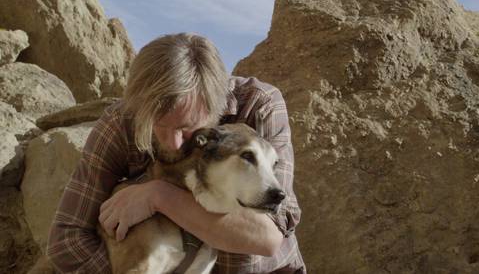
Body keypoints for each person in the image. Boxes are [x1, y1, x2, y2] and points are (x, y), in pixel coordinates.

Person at [47, 33, 305, 273]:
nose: (172, 143)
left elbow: (268, 237)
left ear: (216, 107)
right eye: (158, 125)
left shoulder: (260, 106)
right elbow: (67, 240)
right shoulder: (123, 120)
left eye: (186, 128)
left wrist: (159, 196)